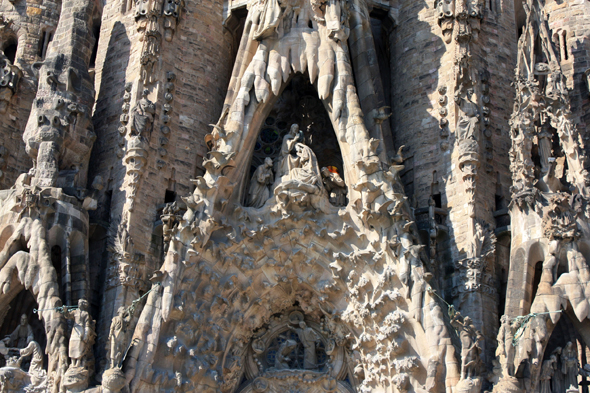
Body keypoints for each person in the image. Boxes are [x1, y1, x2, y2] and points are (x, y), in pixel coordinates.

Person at [64, 299, 93, 368]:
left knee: (79, 345)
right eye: (78, 303)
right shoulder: (75, 312)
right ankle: (72, 362)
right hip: (75, 329)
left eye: (80, 303)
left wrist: (86, 334)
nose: (79, 304)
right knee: (72, 344)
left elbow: (87, 325)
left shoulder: (85, 314)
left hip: (81, 329)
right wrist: (65, 311)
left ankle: (78, 362)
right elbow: (67, 315)